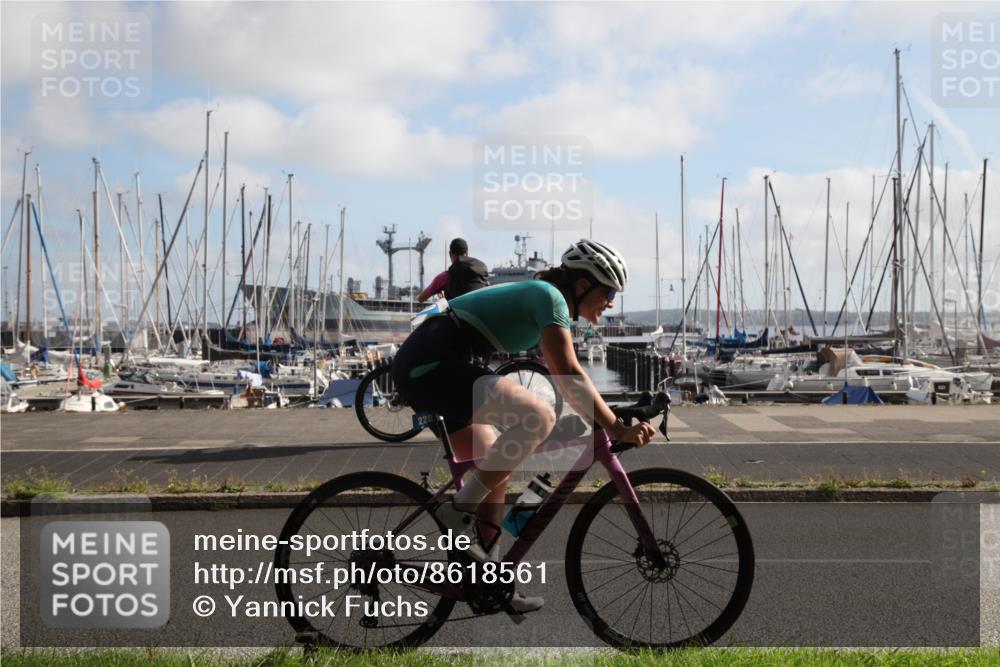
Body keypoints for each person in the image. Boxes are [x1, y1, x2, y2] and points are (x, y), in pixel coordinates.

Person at [392, 239, 655, 613]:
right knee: (539, 415)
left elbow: (568, 374)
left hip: (440, 365)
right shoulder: (550, 297)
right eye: (609, 291)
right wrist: (615, 427)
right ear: (583, 285)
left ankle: (489, 583)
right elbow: (567, 374)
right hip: (430, 365)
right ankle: (457, 509)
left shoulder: (549, 300)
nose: (611, 301)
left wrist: (612, 413)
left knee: (495, 464)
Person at [416, 238, 489, 303]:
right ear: (467, 253)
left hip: (458, 316)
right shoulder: (482, 273)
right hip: (482, 315)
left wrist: (444, 300)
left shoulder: (445, 277)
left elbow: (421, 298)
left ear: (450, 254)